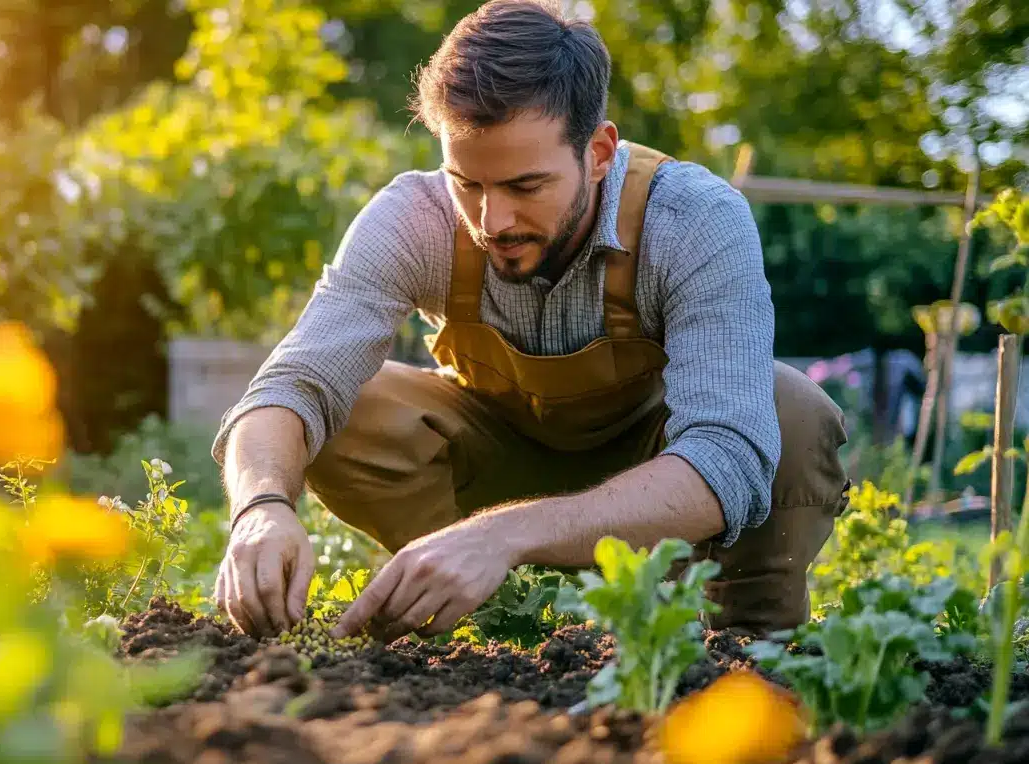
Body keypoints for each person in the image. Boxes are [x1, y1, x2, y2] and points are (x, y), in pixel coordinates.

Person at [209, 0, 850, 643]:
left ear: (599, 152)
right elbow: (290, 383)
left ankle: (745, 645)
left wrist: (506, 533)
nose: (493, 222)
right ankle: (473, 613)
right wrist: (260, 509)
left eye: (526, 185)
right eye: (468, 184)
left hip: (657, 481)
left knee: (789, 411)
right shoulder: (414, 218)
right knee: (342, 406)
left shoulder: (693, 220)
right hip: (495, 460)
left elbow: (725, 454)